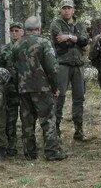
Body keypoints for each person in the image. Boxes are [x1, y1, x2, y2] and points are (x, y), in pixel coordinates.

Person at [12, 17, 68, 161]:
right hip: (42, 88)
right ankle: (51, 152)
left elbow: (14, 68)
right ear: (39, 28)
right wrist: (55, 87)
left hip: (23, 88)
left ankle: (30, 153)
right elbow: (52, 68)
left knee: (27, 121)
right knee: (48, 119)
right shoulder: (44, 43)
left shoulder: (17, 44)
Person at [50, 0, 90, 141]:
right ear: (60, 10)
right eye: (64, 8)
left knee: (79, 97)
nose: (66, 10)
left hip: (78, 64)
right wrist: (75, 40)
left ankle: (79, 130)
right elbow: (58, 41)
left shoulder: (80, 24)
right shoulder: (56, 24)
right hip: (63, 64)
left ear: (73, 10)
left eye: (69, 8)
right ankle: (55, 130)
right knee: (59, 97)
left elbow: (85, 40)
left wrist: (69, 37)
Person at [0, 22, 26, 157]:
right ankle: (11, 145)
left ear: (22, 32)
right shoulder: (5, 49)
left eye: (17, 30)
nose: (14, 33)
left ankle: (28, 145)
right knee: (10, 119)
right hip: (10, 90)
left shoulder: (28, 47)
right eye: (12, 31)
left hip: (26, 89)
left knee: (27, 119)